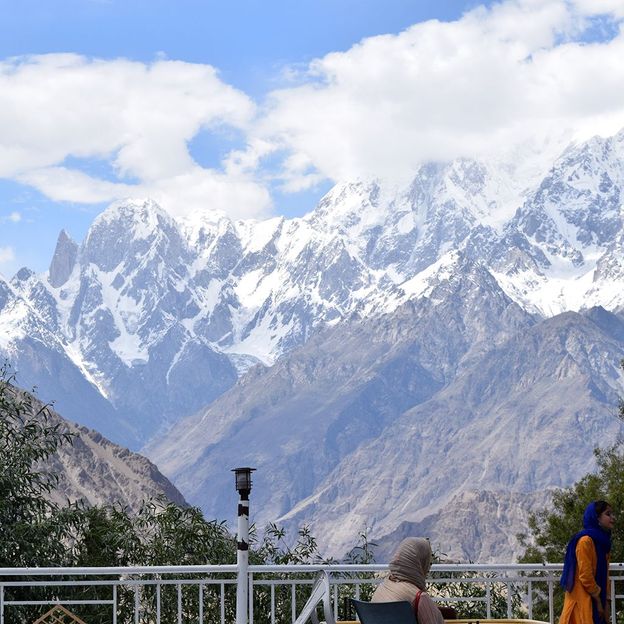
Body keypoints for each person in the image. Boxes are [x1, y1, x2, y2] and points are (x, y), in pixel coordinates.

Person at [372, 537, 453, 624]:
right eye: (427, 561)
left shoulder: (382, 588)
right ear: (419, 563)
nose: (429, 566)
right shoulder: (420, 598)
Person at [560, 500, 615, 624]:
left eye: (612, 514)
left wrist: (606, 600)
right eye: (608, 514)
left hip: (597, 599)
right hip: (584, 600)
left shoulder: (603, 543)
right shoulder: (585, 541)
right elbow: (585, 575)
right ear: (597, 518)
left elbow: (605, 574)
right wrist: (598, 601)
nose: (613, 518)